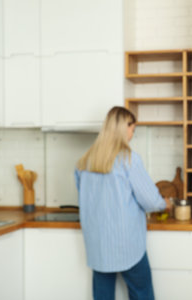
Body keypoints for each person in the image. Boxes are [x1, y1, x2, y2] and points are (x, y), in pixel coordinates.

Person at [75, 106, 172, 300]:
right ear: (123, 128)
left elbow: (84, 196)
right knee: (142, 293)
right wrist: (165, 203)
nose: (132, 135)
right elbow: (149, 200)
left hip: (99, 245)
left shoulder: (85, 161)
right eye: (132, 129)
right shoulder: (129, 159)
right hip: (126, 244)